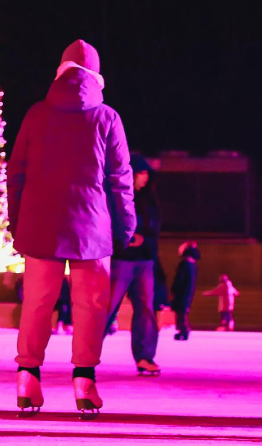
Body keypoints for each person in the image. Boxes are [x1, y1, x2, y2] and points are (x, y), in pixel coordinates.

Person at [7, 40, 135, 417]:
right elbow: (120, 179)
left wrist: (18, 222)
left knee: (37, 303)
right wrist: (125, 227)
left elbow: (16, 173)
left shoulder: (36, 114)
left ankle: (28, 375)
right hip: (92, 228)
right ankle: (84, 380)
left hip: (40, 225)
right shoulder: (107, 118)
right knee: (90, 305)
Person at [105, 155, 162, 376]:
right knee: (107, 307)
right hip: (122, 259)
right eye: (141, 173)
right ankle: (88, 354)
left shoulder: (150, 201)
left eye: (147, 174)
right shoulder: (119, 197)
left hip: (145, 260)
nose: (144, 178)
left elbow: (154, 232)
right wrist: (125, 240)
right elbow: (110, 224)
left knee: (146, 309)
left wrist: (148, 246)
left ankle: (145, 357)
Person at [171, 241, 200, 341]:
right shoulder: (193, 263)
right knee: (183, 310)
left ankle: (184, 330)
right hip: (189, 290)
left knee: (181, 310)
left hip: (182, 291)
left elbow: (179, 279)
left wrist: (173, 290)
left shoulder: (185, 263)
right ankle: (183, 330)